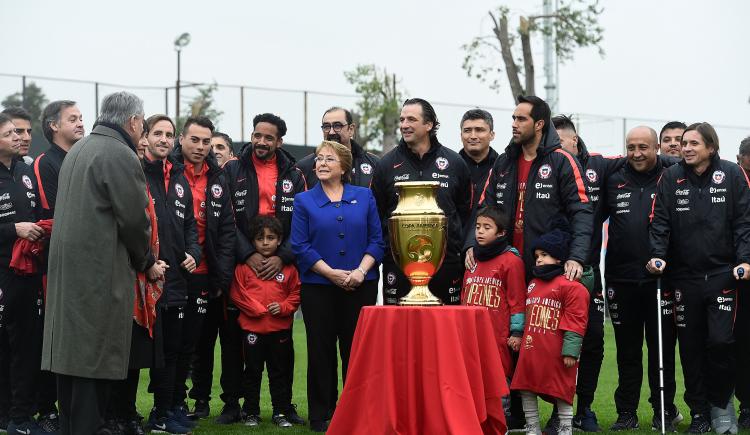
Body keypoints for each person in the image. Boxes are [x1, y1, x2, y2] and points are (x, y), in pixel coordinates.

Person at [470, 96, 593, 431]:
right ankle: (517, 412)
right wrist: (472, 244)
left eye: (521, 119)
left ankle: (560, 416)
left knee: (552, 345)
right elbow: (484, 208)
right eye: (512, 118)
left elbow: (582, 212)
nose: (514, 124)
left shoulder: (562, 161)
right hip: (509, 265)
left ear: (539, 124)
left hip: (549, 268)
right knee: (514, 340)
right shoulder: (505, 162)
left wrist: (576, 258)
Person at [41, 91, 153, 435]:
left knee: (72, 371)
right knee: (93, 367)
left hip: (71, 278)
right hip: (98, 277)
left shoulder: (80, 149)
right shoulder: (119, 153)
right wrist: (146, 260)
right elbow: (135, 220)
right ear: (133, 122)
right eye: (143, 123)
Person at [648, 122, 750, 434]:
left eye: (693, 143)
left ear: (711, 147)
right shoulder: (671, 176)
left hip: (723, 276)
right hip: (683, 278)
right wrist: (657, 254)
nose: (686, 148)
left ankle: (722, 405)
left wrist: (745, 259)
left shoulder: (732, 174)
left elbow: (744, 221)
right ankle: (700, 413)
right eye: (684, 143)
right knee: (689, 349)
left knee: (721, 342)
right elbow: (660, 220)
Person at [291, 140, 384, 432]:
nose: (321, 163)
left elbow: (377, 241)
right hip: (318, 287)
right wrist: (331, 273)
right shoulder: (303, 201)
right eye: (319, 158)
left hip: (362, 284)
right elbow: (300, 246)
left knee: (356, 352)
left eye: (329, 159)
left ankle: (357, 411)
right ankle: (321, 413)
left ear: (344, 167)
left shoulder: (365, 197)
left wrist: (359, 271)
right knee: (320, 350)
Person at [224, 113, 307, 425]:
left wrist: (282, 257)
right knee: (237, 343)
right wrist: (248, 254)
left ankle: (285, 408)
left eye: (268, 137)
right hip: (244, 261)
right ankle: (237, 407)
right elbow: (226, 220)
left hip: (281, 262)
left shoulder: (294, 174)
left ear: (279, 142)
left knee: (282, 351)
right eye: (257, 135)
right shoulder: (233, 169)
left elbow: (301, 222)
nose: (260, 141)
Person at [603, 126, 681, 431]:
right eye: (631, 147)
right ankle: (627, 412)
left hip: (661, 280)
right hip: (621, 279)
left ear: (657, 147)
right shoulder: (614, 176)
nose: (636, 153)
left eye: (643, 147)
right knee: (627, 350)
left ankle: (664, 410)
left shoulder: (673, 175)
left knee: (662, 348)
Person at [552, 114, 625, 432]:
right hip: (551, 276)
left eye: (558, 142)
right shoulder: (547, 169)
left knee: (593, 340)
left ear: (574, 141)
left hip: (589, 274)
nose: (552, 148)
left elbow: (640, 157)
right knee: (554, 344)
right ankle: (558, 411)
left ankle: (585, 408)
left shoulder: (599, 165)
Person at [372, 98, 472, 305]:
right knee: (401, 332)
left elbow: (466, 212)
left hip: (446, 264)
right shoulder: (386, 165)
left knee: (444, 332)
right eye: (401, 119)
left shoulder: (455, 163)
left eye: (411, 119)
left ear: (429, 125)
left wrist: (456, 245)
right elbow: (376, 214)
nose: (404, 125)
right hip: (398, 266)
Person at [104, 120, 169, 435]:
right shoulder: (122, 175)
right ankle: (113, 415)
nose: (144, 148)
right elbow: (128, 226)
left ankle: (128, 414)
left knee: (134, 357)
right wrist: (148, 263)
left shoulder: (151, 180)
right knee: (118, 353)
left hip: (144, 282)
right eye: (142, 142)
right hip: (124, 277)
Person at [171, 116, 236, 421]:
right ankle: (170, 402)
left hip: (205, 273)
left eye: (205, 141)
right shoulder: (167, 171)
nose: (200, 147)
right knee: (173, 343)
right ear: (181, 139)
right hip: (171, 271)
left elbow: (225, 231)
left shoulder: (217, 177)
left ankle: (195, 402)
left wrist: (221, 275)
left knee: (198, 342)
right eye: (194, 140)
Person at [140, 114, 200, 434]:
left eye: (169, 135)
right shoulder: (135, 173)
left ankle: (164, 412)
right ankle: (129, 414)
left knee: (174, 351)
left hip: (176, 280)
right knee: (145, 353)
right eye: (158, 133)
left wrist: (194, 253)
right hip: (144, 277)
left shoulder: (178, 177)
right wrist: (149, 261)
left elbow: (189, 224)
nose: (164, 139)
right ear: (145, 137)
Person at [510, 219, 590, 435]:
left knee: (561, 391)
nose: (538, 260)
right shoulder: (534, 283)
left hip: (557, 353)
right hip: (532, 351)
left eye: (544, 255)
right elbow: (527, 314)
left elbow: (576, 320)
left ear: (559, 257)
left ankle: (565, 428)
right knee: (525, 387)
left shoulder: (572, 287)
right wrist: (518, 334)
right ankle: (532, 428)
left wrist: (571, 351)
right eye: (536, 256)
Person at [231, 215, 301, 428]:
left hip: (279, 331)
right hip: (252, 330)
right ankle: (251, 411)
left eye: (270, 238)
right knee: (252, 372)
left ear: (279, 240)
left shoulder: (288, 269)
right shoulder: (244, 268)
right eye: (260, 238)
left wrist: (282, 308)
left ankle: (280, 412)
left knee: (278, 373)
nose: (265, 242)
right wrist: (256, 309)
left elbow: (295, 294)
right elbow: (237, 293)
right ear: (252, 241)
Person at [0, 113, 46, 434]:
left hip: (27, 275)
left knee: (25, 347)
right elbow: (13, 227)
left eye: (24, 132)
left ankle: (19, 416)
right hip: (3, 275)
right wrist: (11, 229)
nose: (20, 137)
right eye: (11, 133)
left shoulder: (26, 170)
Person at [461, 205, 525, 408]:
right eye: (478, 226)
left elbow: (517, 300)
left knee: (497, 382)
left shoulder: (511, 261)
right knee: (471, 380)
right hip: (470, 335)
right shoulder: (472, 259)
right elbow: (465, 296)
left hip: (497, 337)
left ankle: (500, 424)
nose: (479, 231)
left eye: (486, 227)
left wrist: (516, 331)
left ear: (501, 233)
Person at [296, 106, 379, 188]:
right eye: (327, 127)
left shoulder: (375, 164)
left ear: (351, 129)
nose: (331, 132)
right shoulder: (304, 167)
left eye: (337, 126)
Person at [459, 109, 499, 210]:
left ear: (492, 135)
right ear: (461, 135)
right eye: (467, 130)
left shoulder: (503, 167)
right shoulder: (451, 166)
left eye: (479, 130)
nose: (473, 136)